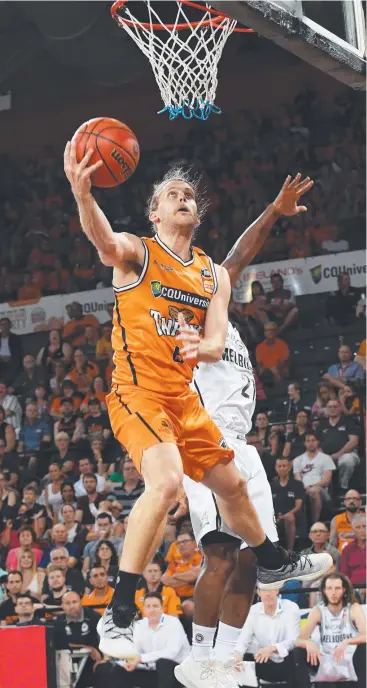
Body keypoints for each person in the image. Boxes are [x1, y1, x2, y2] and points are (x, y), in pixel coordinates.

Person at [63, 148, 328, 661]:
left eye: (188, 195)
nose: (182, 199)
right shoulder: (138, 253)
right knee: (164, 484)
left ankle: (272, 558)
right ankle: (118, 613)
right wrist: (83, 194)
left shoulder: (213, 275)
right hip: (139, 392)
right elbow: (103, 239)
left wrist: (200, 349)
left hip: (186, 400)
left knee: (231, 485)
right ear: (154, 214)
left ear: (197, 212)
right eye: (171, 195)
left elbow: (212, 341)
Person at [295, 573, 366, 687]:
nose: (333, 592)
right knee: (297, 652)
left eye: (337, 588)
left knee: (364, 648)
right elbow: (298, 640)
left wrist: (347, 641)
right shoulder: (318, 611)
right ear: (324, 591)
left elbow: (365, 635)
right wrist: (308, 642)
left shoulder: (353, 608)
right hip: (325, 659)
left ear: (343, 590)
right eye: (329, 588)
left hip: (349, 658)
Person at [112, 592, 190, 688]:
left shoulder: (173, 623)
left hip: (178, 673)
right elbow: (135, 650)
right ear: (143, 609)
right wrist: (130, 661)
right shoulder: (139, 625)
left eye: (155, 606)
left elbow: (171, 652)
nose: (152, 610)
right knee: (119, 669)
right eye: (148, 606)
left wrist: (141, 658)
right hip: (153, 672)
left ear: (162, 608)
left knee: (163, 663)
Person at [233, 586, 300, 688]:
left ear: (277, 590)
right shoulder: (253, 611)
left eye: (271, 589)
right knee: (242, 659)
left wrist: (272, 649)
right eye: (264, 590)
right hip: (264, 661)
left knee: (296, 653)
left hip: (287, 662)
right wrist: (238, 654)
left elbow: (293, 641)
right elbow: (243, 639)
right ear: (258, 592)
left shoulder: (291, 608)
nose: (268, 594)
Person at [54, 591, 114, 688]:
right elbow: (60, 644)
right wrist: (89, 648)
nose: (72, 606)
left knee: (105, 668)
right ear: (62, 606)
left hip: (93, 662)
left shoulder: (94, 617)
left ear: (81, 602)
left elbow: (107, 639)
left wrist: (104, 658)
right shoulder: (59, 622)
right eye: (68, 603)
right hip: (69, 663)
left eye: (74, 602)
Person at [317, 399, 360, 491]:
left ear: (340, 408)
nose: (332, 409)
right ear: (326, 409)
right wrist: (324, 457)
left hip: (346, 454)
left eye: (335, 406)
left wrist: (338, 454)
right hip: (326, 456)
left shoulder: (348, 421)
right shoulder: (321, 425)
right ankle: (326, 493)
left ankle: (343, 487)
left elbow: (354, 441)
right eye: (330, 407)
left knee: (347, 460)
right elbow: (317, 445)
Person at [293, 432, 335, 522]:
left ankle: (314, 523)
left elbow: (326, 481)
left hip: (321, 489)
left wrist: (310, 487)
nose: (311, 443)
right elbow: (297, 479)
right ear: (304, 443)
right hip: (303, 488)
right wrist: (304, 488)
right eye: (308, 441)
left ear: (317, 442)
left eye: (313, 440)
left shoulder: (326, 458)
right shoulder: (298, 460)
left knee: (313, 491)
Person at [161, 531, 201, 618]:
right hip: (176, 597)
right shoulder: (175, 562)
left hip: (196, 597)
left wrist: (175, 576)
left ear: (194, 543)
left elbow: (195, 574)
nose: (181, 545)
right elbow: (165, 580)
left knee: (187, 607)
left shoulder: (201, 557)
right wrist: (188, 580)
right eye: (179, 543)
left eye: (185, 541)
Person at [271, 457, 305, 550]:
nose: (282, 468)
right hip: (276, 517)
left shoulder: (297, 484)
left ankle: (290, 550)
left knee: (290, 517)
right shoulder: (271, 485)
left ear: (289, 467)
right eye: (280, 466)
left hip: (293, 516)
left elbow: (298, 505)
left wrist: (287, 514)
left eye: (284, 466)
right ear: (276, 468)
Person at [340, 513, 366, 588]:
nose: (362, 530)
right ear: (353, 530)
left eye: (365, 526)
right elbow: (344, 574)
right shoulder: (347, 549)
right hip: (354, 589)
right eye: (358, 527)